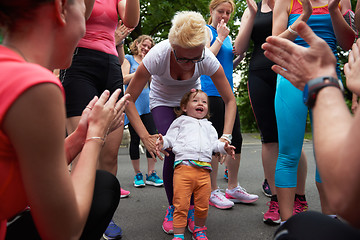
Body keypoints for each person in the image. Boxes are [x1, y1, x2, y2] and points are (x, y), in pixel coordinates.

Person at [0, 0, 130, 239]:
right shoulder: (34, 86)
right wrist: (94, 138)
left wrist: (79, 136)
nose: (86, 26)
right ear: (60, 8)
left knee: (101, 184)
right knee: (104, 187)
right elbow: (64, 231)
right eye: (84, 8)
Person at [124, 11, 237, 235]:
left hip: (189, 99)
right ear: (173, 47)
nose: (189, 64)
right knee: (173, 150)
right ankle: (175, 207)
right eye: (183, 58)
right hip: (163, 101)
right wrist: (145, 136)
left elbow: (230, 100)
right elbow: (128, 100)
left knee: (196, 152)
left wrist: (226, 136)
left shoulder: (206, 57)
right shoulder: (157, 55)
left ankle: (193, 209)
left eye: (195, 59)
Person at [262, 20, 360, 239]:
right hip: (295, 75)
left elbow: (347, 42)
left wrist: (334, 10)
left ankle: (330, 220)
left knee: (325, 155)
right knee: (289, 153)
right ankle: (287, 221)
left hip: (326, 73)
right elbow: (273, 43)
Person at [59, 0, 140, 239]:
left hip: (111, 64)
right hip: (79, 60)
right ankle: (77, 218)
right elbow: (81, 16)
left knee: (109, 151)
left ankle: (103, 215)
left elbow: (131, 22)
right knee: (85, 149)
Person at [234, 0, 308, 224]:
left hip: (288, 70)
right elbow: (239, 47)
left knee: (291, 140)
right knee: (269, 138)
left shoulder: (290, 3)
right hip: (259, 73)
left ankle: (299, 198)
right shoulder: (254, 8)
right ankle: (276, 199)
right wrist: (252, 13)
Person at [200, 0, 258, 211]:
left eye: (228, 12)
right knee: (215, 142)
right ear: (212, 11)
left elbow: (222, 65)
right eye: (220, 11)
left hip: (227, 94)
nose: (224, 16)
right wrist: (221, 36)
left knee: (236, 139)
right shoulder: (206, 30)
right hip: (210, 92)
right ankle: (213, 190)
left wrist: (238, 59)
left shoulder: (227, 35)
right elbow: (204, 59)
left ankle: (232, 187)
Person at [156, 89, 236, 240]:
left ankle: (199, 230)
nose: (201, 103)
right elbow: (170, 139)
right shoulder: (180, 122)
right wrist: (162, 142)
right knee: (180, 205)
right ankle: (178, 235)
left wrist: (224, 147)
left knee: (202, 206)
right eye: (195, 100)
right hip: (183, 170)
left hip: (204, 173)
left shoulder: (210, 127)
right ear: (184, 107)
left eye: (204, 102)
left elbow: (215, 145)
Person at [121, 35, 164, 188]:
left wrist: (149, 68)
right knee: (135, 138)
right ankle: (137, 174)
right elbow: (124, 78)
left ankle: (151, 173)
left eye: (149, 47)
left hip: (148, 104)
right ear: (137, 44)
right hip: (133, 105)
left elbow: (154, 83)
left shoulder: (151, 61)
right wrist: (141, 70)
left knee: (152, 136)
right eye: (144, 45)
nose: (146, 49)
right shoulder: (128, 58)